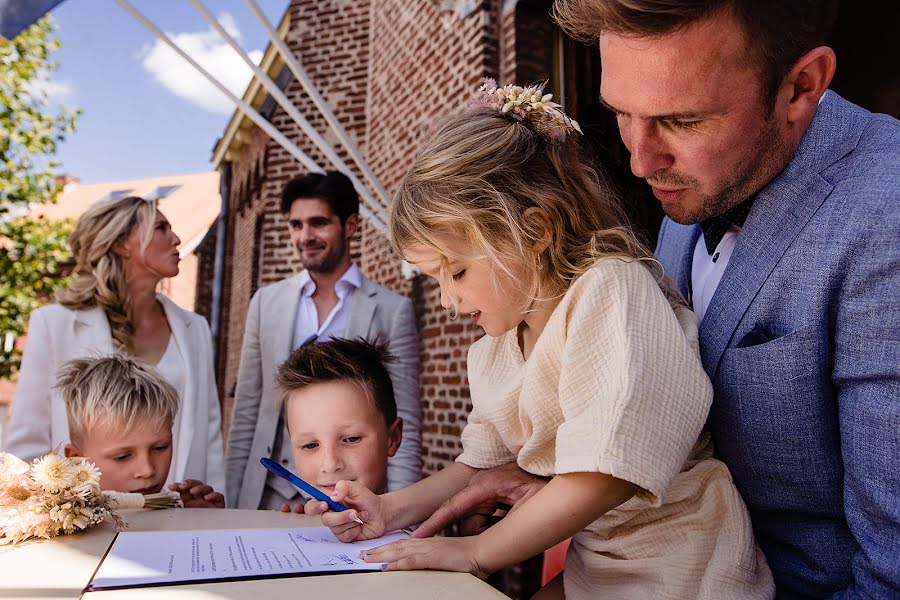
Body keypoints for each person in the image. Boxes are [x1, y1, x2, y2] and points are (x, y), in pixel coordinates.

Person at [420, 1, 900, 597]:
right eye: (621, 113)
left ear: (801, 87)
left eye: (683, 121)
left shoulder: (888, 215)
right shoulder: (689, 191)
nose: (639, 161)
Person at [310, 84, 774, 599]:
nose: (446, 299)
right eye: (433, 280)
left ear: (534, 232)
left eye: (457, 271)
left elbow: (606, 473)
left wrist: (475, 554)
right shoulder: (495, 349)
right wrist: (388, 509)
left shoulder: (610, 291)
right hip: (596, 571)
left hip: (685, 570)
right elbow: (476, 468)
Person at [226, 171, 421, 511]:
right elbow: (247, 408)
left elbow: (403, 416)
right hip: (269, 493)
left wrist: (401, 513)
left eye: (318, 223)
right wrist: (234, 499)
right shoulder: (266, 303)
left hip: (357, 496)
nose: (305, 236)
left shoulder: (392, 311)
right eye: (296, 225)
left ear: (349, 226)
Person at [5, 196, 225, 493]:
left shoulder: (194, 328)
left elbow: (209, 433)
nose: (176, 238)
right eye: (161, 228)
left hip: (179, 512)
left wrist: (210, 508)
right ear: (121, 244)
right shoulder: (55, 324)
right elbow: (27, 441)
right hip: (85, 518)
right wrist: (42, 518)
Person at [56, 355, 224, 508]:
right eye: (123, 456)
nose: (147, 470)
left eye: (160, 448)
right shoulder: (55, 528)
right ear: (76, 460)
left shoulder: (180, 510)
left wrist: (203, 523)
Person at [275, 338, 403, 509]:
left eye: (351, 439)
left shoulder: (418, 535)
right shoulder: (286, 528)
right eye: (310, 445)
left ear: (393, 438)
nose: (330, 464)